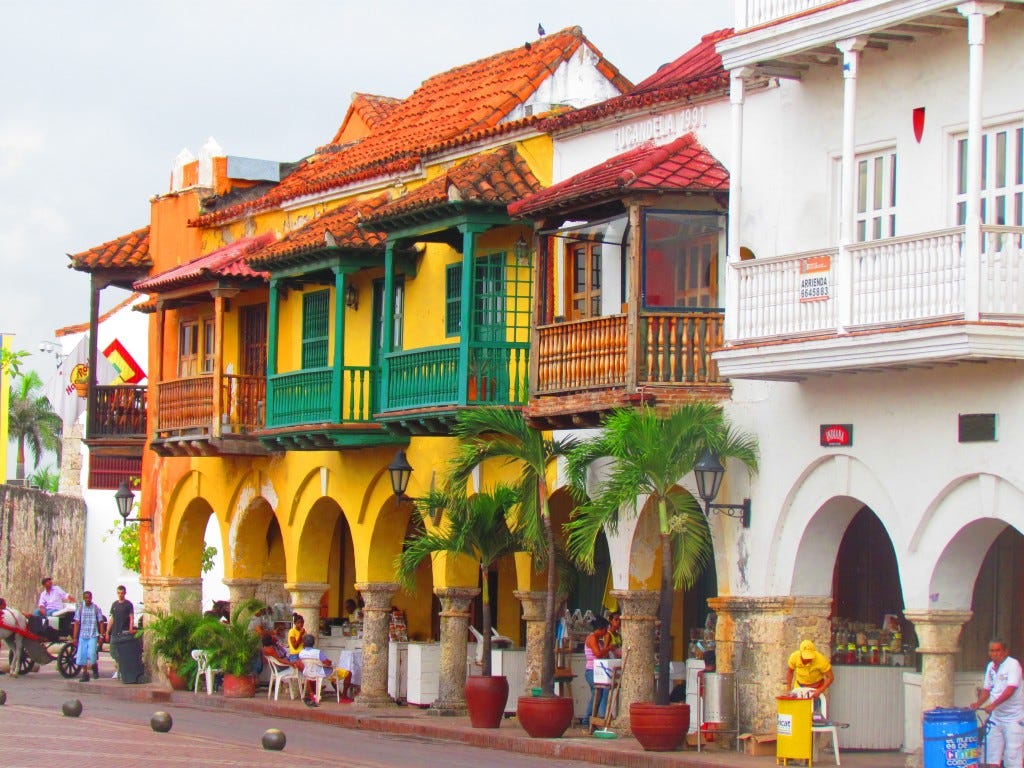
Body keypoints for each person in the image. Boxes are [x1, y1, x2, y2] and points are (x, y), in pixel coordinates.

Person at [970, 639, 1024, 768]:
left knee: (1013, 755)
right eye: (992, 651)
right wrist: (978, 703)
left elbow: (1011, 688)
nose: (994, 654)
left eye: (997, 650)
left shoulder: (1013, 665)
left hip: (1014, 717)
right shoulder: (990, 666)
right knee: (991, 754)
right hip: (996, 717)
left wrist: (994, 705)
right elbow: (987, 689)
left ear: (1005, 652)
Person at [298, 634, 352, 706]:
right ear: (313, 642)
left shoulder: (301, 653)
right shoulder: (318, 652)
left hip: (309, 673)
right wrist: (331, 663)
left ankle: (339, 693)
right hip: (322, 672)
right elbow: (327, 663)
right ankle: (344, 696)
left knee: (333, 675)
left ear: (304, 643)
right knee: (348, 673)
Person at [582, 616, 612, 728]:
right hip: (591, 671)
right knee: (596, 693)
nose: (606, 632)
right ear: (600, 628)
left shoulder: (599, 640)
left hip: (598, 671)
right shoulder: (592, 638)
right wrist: (609, 647)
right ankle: (587, 720)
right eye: (605, 629)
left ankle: (591, 719)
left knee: (597, 694)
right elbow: (598, 654)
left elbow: (605, 655)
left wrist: (607, 642)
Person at [72, 591, 105, 682]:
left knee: (92, 653)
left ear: (91, 598)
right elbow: (77, 623)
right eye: (86, 598)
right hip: (83, 635)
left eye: (89, 598)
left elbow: (101, 621)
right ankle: (85, 673)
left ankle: (94, 666)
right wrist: (75, 637)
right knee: (82, 655)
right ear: (83, 598)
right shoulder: (80, 608)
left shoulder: (96, 608)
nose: (87, 600)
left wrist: (101, 636)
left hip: (93, 634)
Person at [105, 584, 135, 680]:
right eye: (119, 593)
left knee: (123, 652)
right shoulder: (114, 604)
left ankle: (121, 671)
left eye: (122, 593)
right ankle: (119, 668)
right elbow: (112, 618)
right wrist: (107, 631)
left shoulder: (128, 604)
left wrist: (130, 628)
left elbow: (131, 617)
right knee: (113, 652)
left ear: (125, 593)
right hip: (115, 632)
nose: (120, 595)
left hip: (124, 631)